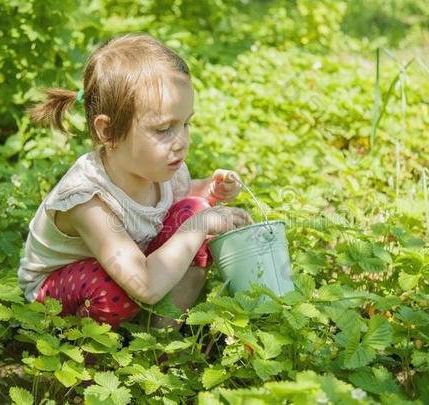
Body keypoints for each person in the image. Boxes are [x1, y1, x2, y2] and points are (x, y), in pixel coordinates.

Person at [17, 32, 253, 331]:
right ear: (108, 132)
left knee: (194, 209)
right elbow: (143, 285)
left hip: (129, 268)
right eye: (163, 129)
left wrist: (209, 190)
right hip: (58, 297)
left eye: (186, 124)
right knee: (118, 286)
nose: (181, 142)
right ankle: (91, 364)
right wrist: (202, 224)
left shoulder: (157, 168)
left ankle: (163, 344)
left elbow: (177, 200)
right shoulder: (88, 200)